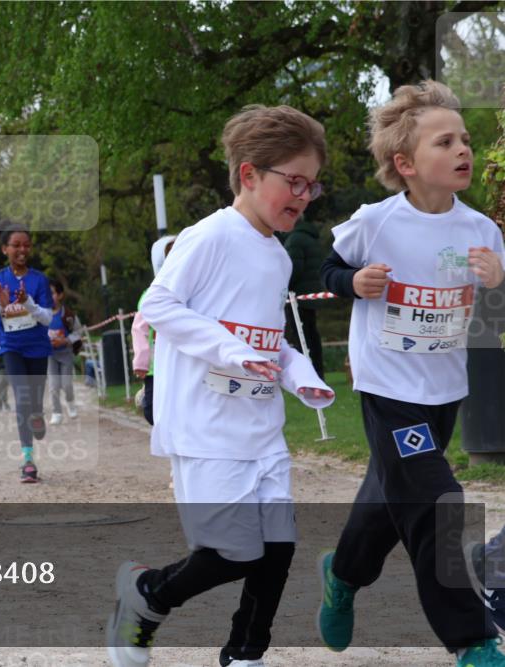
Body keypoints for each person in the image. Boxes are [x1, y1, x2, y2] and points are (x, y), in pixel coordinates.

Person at [107, 105, 335, 667]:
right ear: (250, 174)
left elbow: (270, 341)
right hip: (206, 429)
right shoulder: (210, 236)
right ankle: (146, 595)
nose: (304, 196)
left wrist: (301, 378)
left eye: (312, 185)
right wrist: (231, 351)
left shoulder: (277, 257)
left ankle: (245, 652)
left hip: (260, 428)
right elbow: (159, 304)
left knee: (278, 547)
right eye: (294, 182)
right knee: (234, 552)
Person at [317, 81, 505, 667]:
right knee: (439, 500)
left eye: (465, 140)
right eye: (444, 141)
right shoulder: (375, 222)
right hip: (387, 389)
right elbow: (326, 266)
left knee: (389, 498)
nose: (462, 150)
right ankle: (472, 639)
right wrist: (353, 282)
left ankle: (342, 573)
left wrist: (499, 280)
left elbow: (494, 317)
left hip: (444, 390)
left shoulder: (482, 231)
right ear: (405, 164)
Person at [0, 224, 54, 484]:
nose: (22, 250)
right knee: (22, 397)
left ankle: (38, 414)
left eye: (26, 245)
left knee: (34, 401)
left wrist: (28, 303)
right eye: (16, 245)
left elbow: (47, 319)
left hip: (37, 347)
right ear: (5, 249)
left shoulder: (39, 279)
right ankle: (28, 460)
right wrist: (0, 305)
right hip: (10, 346)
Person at [131, 236, 176, 426]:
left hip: (181, 362)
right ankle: (145, 399)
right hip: (156, 366)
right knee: (151, 411)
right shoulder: (151, 296)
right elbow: (139, 329)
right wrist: (141, 361)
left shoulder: (193, 291)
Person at [283, 218, 326, 379]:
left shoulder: (295, 239)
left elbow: (292, 270)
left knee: (301, 337)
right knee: (312, 336)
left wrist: (281, 287)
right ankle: (318, 373)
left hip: (297, 297)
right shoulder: (311, 238)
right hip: (311, 294)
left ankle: (307, 375)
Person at [46, 280, 83, 425]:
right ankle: (56, 412)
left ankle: (70, 403)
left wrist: (66, 340)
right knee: (53, 386)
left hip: (66, 354)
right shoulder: (43, 315)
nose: (49, 297)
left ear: (60, 295)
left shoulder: (68, 315)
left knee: (67, 384)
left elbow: (78, 332)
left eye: (52, 293)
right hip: (50, 355)